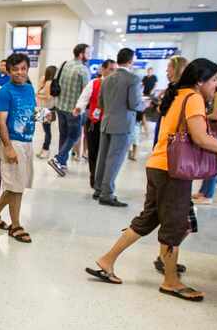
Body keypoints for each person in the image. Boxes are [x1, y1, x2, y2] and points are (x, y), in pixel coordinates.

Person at [85, 58, 217, 300]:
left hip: (158, 165)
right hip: (173, 171)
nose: (216, 86)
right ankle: (171, 281)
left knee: (148, 219)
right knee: (175, 225)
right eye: (213, 80)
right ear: (200, 81)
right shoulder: (194, 98)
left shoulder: (178, 93)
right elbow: (199, 137)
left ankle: (106, 260)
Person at [0, 53, 35, 243]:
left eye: (23, 68)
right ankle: (16, 225)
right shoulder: (5, 92)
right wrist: (9, 147)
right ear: (9, 71)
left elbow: (30, 113)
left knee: (17, 184)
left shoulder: (29, 89)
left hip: (27, 142)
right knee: (16, 187)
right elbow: (2, 123)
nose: (19, 72)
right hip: (12, 142)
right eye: (15, 69)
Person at [92, 48, 148, 207]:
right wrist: (145, 104)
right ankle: (107, 194)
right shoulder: (133, 79)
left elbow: (101, 103)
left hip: (106, 122)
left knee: (103, 158)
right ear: (130, 61)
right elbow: (134, 103)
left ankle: (98, 189)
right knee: (114, 159)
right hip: (123, 124)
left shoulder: (107, 78)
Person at [48, 43, 91, 177]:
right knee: (74, 135)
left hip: (60, 106)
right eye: (88, 53)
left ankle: (63, 163)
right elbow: (86, 92)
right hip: (74, 110)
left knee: (64, 135)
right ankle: (59, 159)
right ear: (81, 54)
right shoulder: (83, 70)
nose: (89, 55)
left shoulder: (64, 64)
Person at [74, 59, 117, 187]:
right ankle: (94, 178)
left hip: (111, 124)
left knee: (108, 154)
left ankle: (105, 180)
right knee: (93, 153)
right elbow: (84, 98)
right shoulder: (94, 83)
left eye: (115, 70)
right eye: (110, 69)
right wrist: (78, 108)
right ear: (103, 70)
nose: (113, 72)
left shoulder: (117, 85)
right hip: (94, 123)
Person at [194, 67, 217, 205]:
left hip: (216, 131)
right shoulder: (216, 93)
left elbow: (216, 114)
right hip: (212, 131)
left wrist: (200, 116)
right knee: (209, 162)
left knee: (213, 163)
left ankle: (208, 194)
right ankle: (203, 191)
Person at [153, 55, 188, 142]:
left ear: (177, 68)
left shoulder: (176, 88)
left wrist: (159, 106)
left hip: (168, 127)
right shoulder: (177, 86)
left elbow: (163, 109)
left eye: (169, 66)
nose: (167, 70)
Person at [35, 65, 57, 159]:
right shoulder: (45, 81)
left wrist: (39, 95)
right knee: (45, 130)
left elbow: (48, 97)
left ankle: (46, 150)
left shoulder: (49, 83)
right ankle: (44, 149)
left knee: (47, 131)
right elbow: (38, 91)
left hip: (47, 109)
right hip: (43, 109)